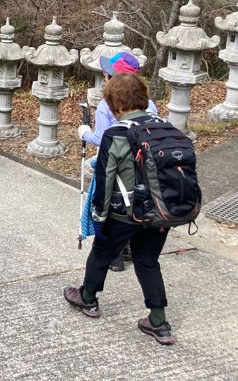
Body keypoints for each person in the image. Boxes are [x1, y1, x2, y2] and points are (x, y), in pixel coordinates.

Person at [64, 73, 175, 346]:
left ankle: (88, 298)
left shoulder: (116, 135)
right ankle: (159, 322)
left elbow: (105, 180)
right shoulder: (165, 128)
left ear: (114, 103)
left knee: (102, 253)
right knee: (147, 261)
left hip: (124, 212)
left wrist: (98, 217)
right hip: (160, 211)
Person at [76, 52, 157, 272]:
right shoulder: (149, 104)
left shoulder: (106, 105)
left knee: (114, 207)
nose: (104, 77)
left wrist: (84, 133)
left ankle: (115, 257)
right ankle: (130, 247)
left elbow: (102, 139)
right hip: (142, 164)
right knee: (135, 201)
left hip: (115, 162)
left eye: (107, 74)